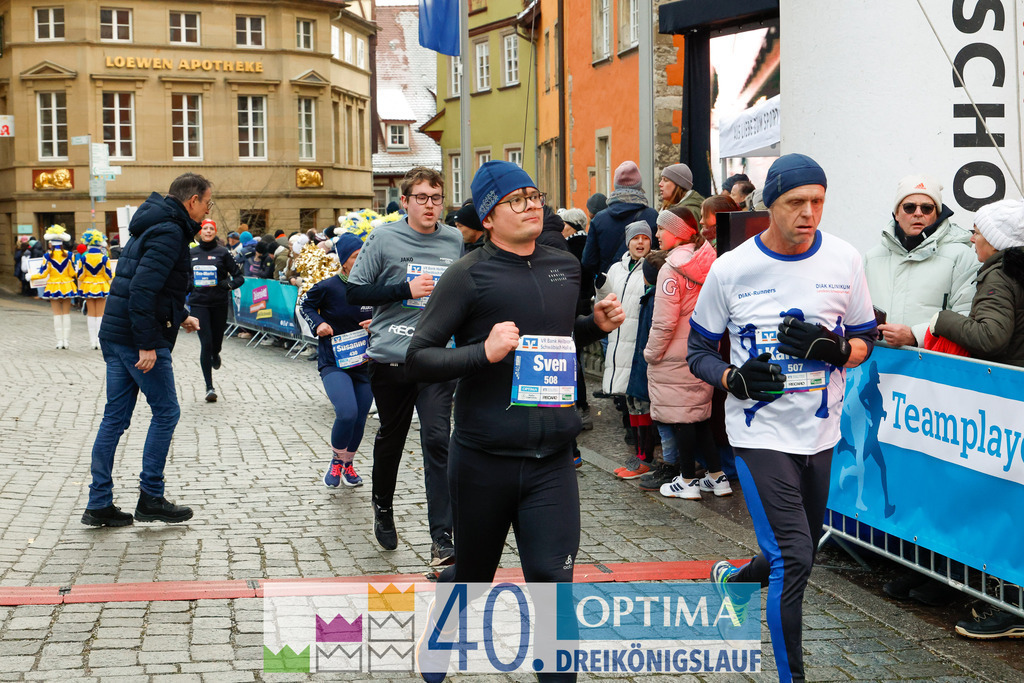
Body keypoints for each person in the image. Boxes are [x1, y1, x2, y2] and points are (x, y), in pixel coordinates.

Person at [405, 161, 624, 682]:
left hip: (552, 460)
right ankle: (438, 649)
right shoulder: (468, 274)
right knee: (474, 580)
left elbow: (553, 338)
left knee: (552, 581)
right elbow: (420, 357)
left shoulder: (564, 265)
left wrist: (591, 325)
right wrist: (484, 352)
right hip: (484, 459)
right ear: (488, 215)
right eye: (515, 200)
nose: (531, 206)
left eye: (534, 195)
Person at [687, 154, 877, 683]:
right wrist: (733, 380)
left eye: (818, 201)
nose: (809, 212)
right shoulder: (732, 268)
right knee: (795, 558)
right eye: (796, 202)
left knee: (796, 549)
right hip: (758, 431)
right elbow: (697, 351)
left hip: (820, 430)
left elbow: (866, 337)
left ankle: (739, 578)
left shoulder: (844, 259)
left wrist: (838, 350)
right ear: (770, 204)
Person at [346, 166, 463, 566]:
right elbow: (354, 291)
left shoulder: (453, 240)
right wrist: (403, 290)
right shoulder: (384, 238)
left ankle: (442, 537)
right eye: (422, 198)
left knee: (437, 439)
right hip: (392, 357)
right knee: (392, 438)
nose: (430, 205)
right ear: (406, 201)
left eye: (436, 197)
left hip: (436, 358)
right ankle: (383, 507)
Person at [81, 172, 211, 528]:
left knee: (114, 419)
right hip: (136, 338)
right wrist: (147, 344)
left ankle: (99, 504)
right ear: (191, 201)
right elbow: (140, 291)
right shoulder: (170, 232)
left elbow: (152, 285)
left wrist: (181, 314)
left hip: (117, 332)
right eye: (207, 203)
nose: (207, 210)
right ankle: (151, 496)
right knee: (167, 412)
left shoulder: (153, 223)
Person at [643, 207, 729, 499]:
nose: (656, 234)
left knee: (682, 419)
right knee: (699, 416)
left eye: (661, 229)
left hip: (673, 355)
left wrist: (651, 354)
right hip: (703, 350)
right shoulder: (709, 263)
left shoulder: (670, 269)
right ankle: (717, 477)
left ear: (677, 233)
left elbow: (665, 322)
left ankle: (687, 480)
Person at [864, 175, 978, 347]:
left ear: (937, 214)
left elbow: (968, 318)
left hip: (931, 368)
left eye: (927, 208)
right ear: (896, 214)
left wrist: (916, 336)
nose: (918, 213)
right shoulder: (872, 258)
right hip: (877, 366)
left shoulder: (961, 256)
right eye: (909, 207)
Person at [300, 233, 375, 489]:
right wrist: (318, 323)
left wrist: (377, 323)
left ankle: (349, 463)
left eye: (363, 256)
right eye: (356, 257)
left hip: (364, 363)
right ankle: (336, 461)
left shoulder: (371, 287)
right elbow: (305, 306)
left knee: (360, 416)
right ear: (344, 261)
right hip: (334, 363)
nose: (361, 261)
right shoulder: (328, 287)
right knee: (346, 413)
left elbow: (387, 313)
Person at [597, 221, 655, 479]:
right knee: (631, 402)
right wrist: (600, 287)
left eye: (645, 238)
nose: (640, 242)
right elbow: (605, 302)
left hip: (640, 343)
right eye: (635, 238)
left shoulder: (653, 267)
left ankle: (646, 456)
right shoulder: (616, 268)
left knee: (643, 402)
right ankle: (639, 454)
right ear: (627, 242)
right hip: (619, 342)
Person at [189, 218, 244, 402]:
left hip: (219, 303)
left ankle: (216, 352)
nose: (208, 231)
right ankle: (209, 387)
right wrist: (189, 286)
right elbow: (185, 277)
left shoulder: (223, 253)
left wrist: (227, 285)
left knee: (216, 343)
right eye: (205, 228)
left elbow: (239, 277)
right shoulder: (191, 253)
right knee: (205, 343)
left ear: (215, 231)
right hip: (199, 304)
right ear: (200, 232)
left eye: (211, 228)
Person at [582, 161, 659, 286]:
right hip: (642, 285)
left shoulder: (599, 219)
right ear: (639, 185)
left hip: (609, 285)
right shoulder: (652, 216)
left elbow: (588, 261)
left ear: (616, 185)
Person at [38, 225, 77, 349]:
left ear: (51, 244)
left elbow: (43, 273)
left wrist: (30, 276)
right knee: (66, 313)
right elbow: (73, 273)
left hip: (53, 286)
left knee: (56, 314)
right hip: (67, 285)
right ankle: (66, 341)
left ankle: (59, 341)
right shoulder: (70, 255)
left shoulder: (47, 256)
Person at [77, 229, 114, 349]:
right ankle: (99, 341)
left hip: (88, 286)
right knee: (100, 314)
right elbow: (108, 275)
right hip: (101, 286)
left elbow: (80, 276)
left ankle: (92, 342)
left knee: (91, 314)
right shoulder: (104, 258)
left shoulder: (83, 258)